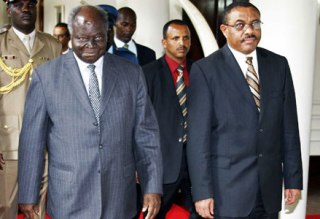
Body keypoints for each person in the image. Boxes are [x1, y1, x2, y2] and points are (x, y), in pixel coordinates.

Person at [18, 5, 163, 219]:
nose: (90, 46)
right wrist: (28, 194)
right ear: (70, 36)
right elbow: (32, 141)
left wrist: (152, 186)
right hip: (69, 197)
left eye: (97, 38)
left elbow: (146, 134)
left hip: (119, 196)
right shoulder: (46, 77)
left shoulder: (131, 74)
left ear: (108, 34)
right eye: (82, 38)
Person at [187, 2, 303, 219]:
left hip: (268, 189)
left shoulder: (278, 65)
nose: (249, 30)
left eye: (255, 23)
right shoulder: (206, 70)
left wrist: (293, 179)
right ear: (225, 30)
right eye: (240, 25)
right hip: (226, 192)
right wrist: (202, 192)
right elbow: (197, 139)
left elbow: (289, 128)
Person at [0, 0, 62, 218]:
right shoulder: (1, 44)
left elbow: (59, 94)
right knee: (6, 207)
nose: (26, 9)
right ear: (9, 9)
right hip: (8, 142)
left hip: (45, 141)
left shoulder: (51, 44)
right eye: (18, 4)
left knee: (38, 209)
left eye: (31, 4)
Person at [143, 19, 199, 219]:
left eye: (186, 38)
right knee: (155, 214)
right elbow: (139, 122)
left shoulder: (201, 71)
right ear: (164, 42)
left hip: (196, 163)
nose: (181, 43)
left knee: (202, 213)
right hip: (162, 163)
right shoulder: (147, 74)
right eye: (175, 38)